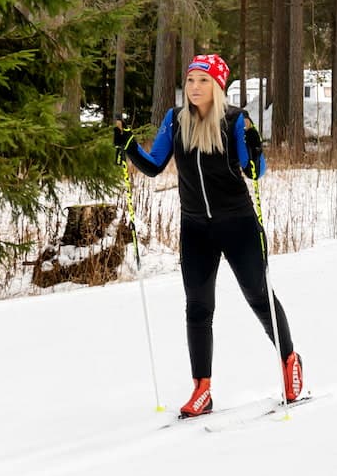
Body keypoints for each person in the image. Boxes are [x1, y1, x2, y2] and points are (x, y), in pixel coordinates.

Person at [114, 54, 303, 418]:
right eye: (190, 80)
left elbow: (254, 172)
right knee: (198, 307)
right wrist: (129, 147)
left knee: (259, 297)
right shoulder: (175, 120)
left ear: (217, 86)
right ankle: (202, 388)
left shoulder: (235, 120)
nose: (195, 87)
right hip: (195, 228)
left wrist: (255, 147)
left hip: (238, 225)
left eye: (203, 81)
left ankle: (289, 360)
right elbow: (153, 166)